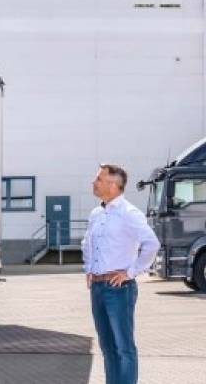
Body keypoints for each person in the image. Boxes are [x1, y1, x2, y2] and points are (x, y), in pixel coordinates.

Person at [84, 164, 159, 384]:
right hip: (97, 288)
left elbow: (152, 244)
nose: (93, 182)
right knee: (107, 346)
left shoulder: (129, 213)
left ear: (113, 185)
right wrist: (89, 269)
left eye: (98, 179)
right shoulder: (96, 214)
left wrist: (131, 272)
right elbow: (87, 243)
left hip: (118, 289)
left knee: (123, 347)